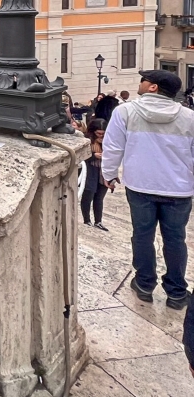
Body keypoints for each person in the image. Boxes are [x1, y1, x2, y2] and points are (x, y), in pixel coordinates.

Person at [102, 70, 194, 309]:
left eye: (144, 80)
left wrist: (108, 174)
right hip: (178, 189)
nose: (140, 83)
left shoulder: (125, 112)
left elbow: (112, 147)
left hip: (140, 185)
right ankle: (176, 292)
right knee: (175, 240)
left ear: (153, 87)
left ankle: (144, 284)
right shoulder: (189, 117)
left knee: (142, 236)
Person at [80, 118, 110, 231]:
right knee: (89, 194)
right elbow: (81, 156)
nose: (101, 136)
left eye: (103, 133)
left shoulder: (109, 140)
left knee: (99, 197)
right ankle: (87, 220)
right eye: (99, 133)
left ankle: (98, 221)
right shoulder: (86, 140)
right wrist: (93, 155)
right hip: (90, 169)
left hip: (103, 170)